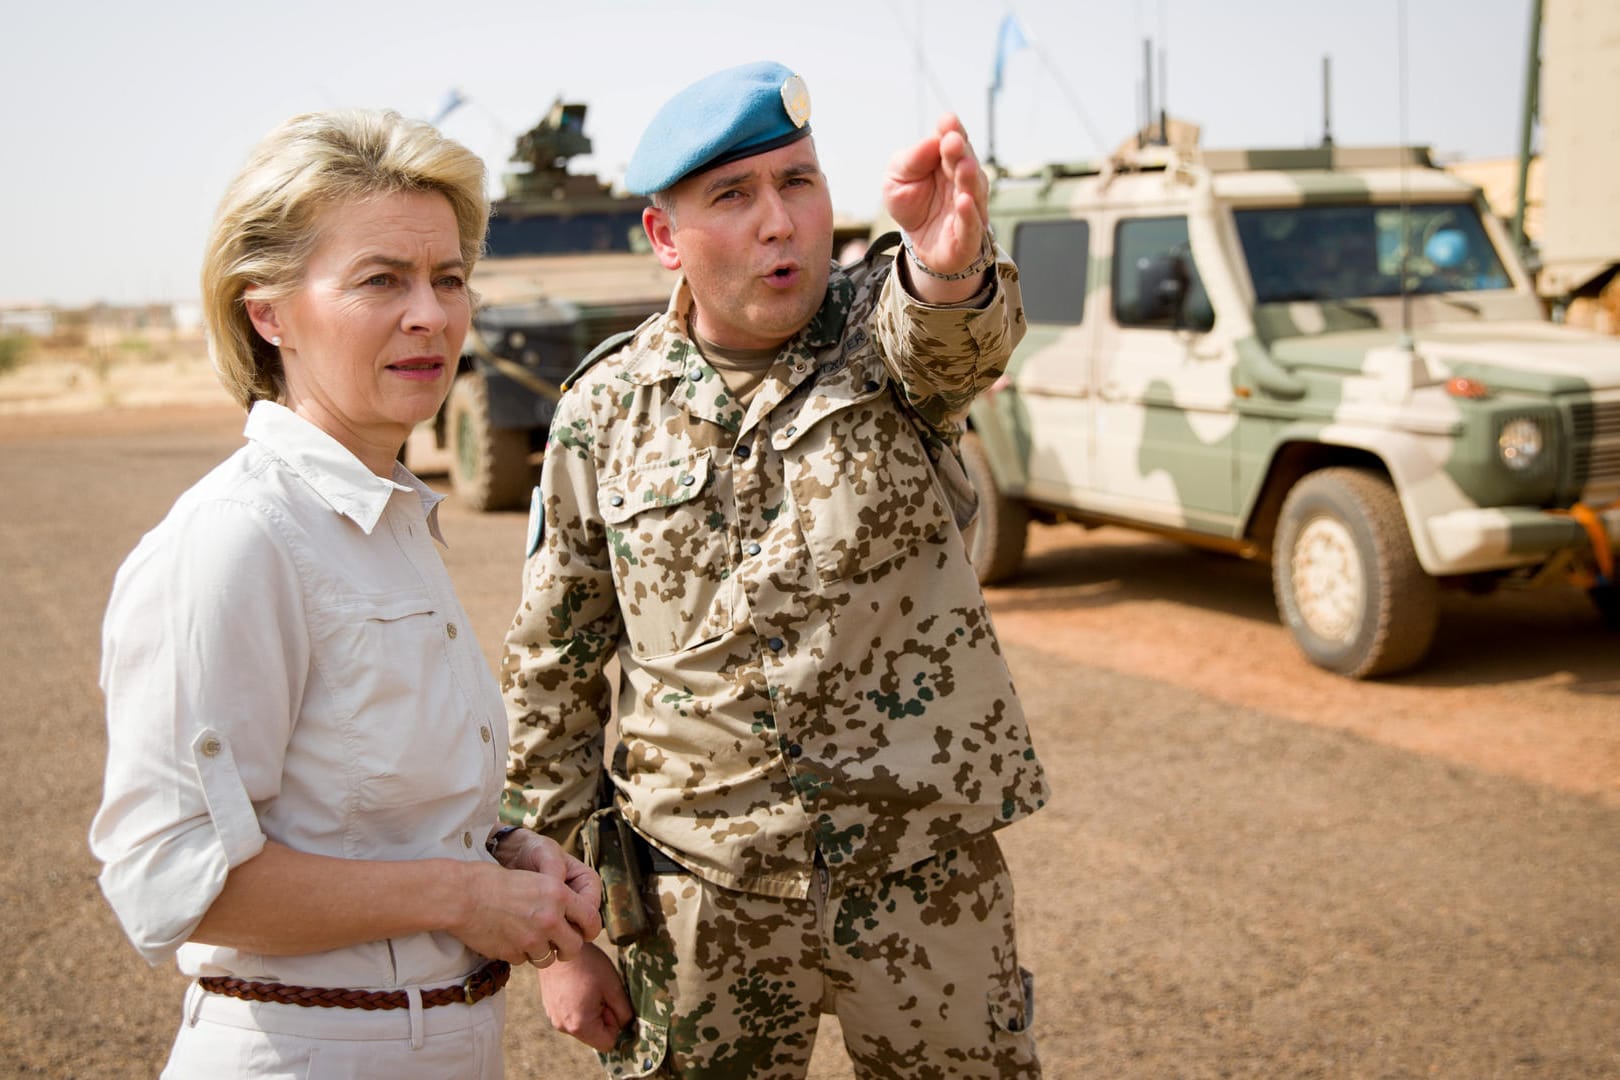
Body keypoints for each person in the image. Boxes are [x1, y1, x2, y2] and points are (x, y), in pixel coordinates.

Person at [501, 61, 1049, 1078]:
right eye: (734, 196)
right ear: (667, 237)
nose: (779, 221)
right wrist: (563, 940)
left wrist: (946, 266)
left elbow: (955, 344)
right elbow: (554, 670)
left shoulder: (882, 338)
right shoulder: (603, 411)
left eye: (798, 182)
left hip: (921, 875)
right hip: (701, 893)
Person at [89, 109, 603, 1079]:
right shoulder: (239, 537)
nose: (431, 315)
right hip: (309, 1049)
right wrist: (459, 899)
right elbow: (169, 882)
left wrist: (504, 851)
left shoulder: (387, 518)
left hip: (439, 1040)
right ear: (268, 311)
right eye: (381, 280)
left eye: (448, 280)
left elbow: (361, 815)